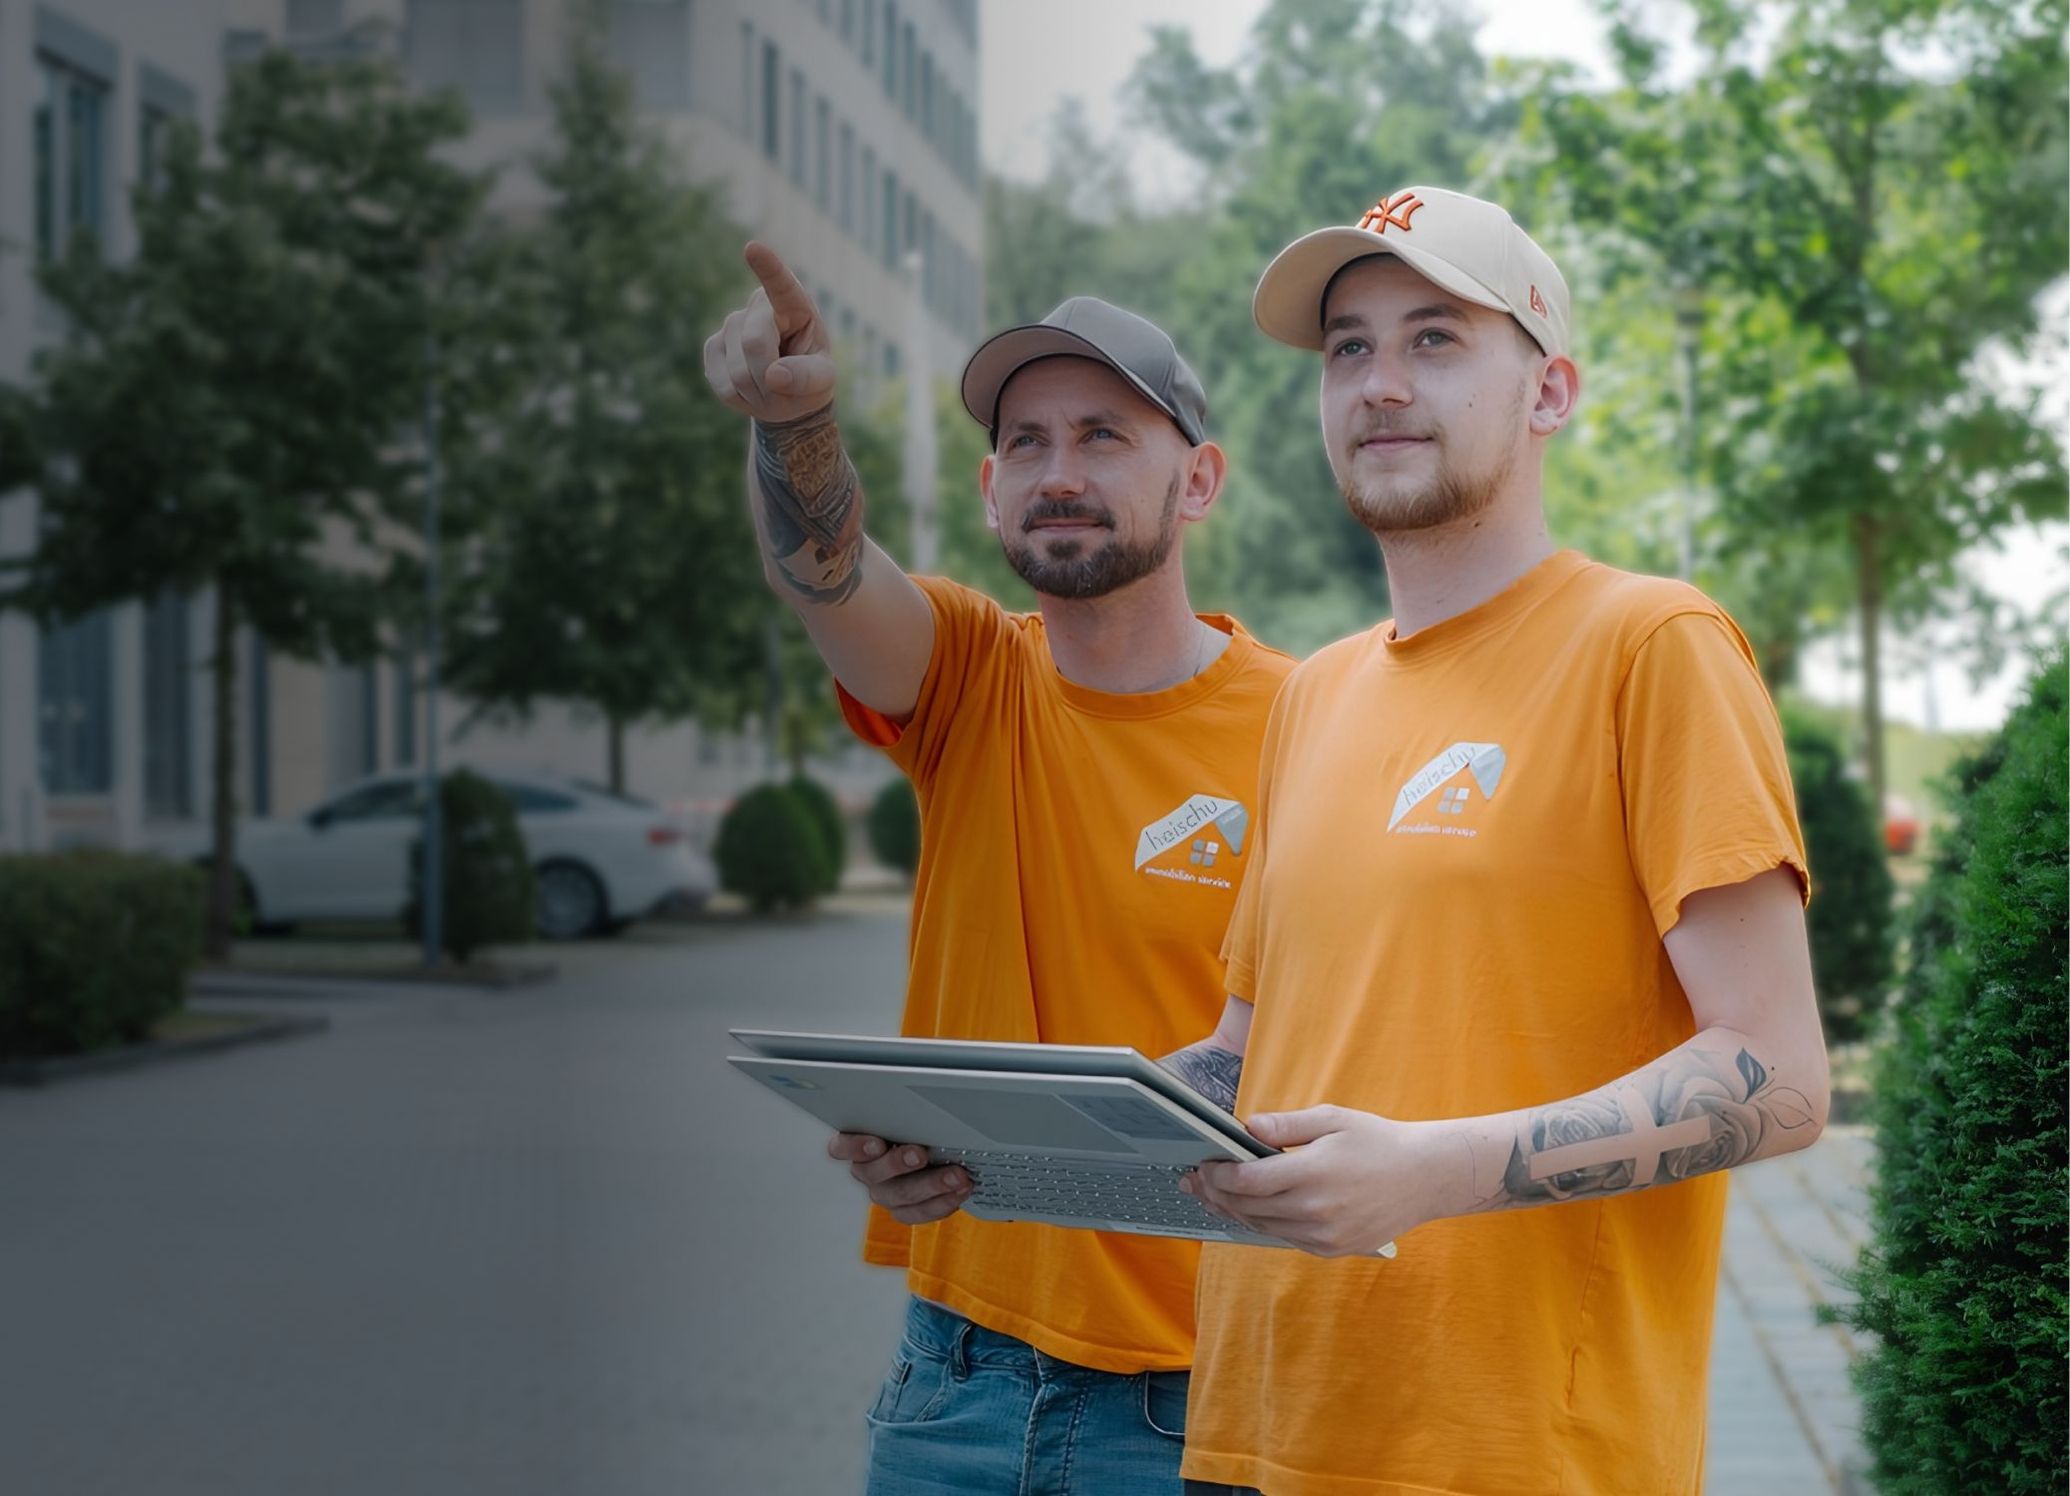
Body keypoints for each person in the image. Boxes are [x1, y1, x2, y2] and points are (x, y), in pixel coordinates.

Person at [1154, 188, 1830, 1496]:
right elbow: (1247, 1057)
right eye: (1348, 347)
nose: (1379, 382)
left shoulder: (1652, 647)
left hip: (1517, 1455)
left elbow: (1783, 1075)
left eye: (1435, 338)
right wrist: (1013, 1132)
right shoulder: (1314, 694)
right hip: (1254, 1430)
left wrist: (1433, 1171)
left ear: (1548, 393)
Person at [701, 243, 1294, 1493]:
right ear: (990, 488)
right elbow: (826, 571)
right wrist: (796, 422)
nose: (1059, 473)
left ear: (1199, 479)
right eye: (1026, 442)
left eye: (1102, 435)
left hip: (1201, 1403)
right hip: (950, 1390)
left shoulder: (1312, 723)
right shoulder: (969, 675)